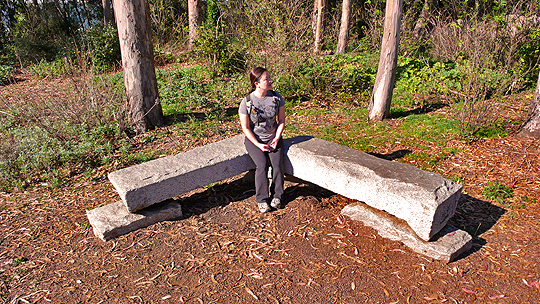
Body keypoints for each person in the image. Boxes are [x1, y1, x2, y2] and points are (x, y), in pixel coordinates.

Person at [239, 67, 286, 213]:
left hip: (273, 138)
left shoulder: (277, 98)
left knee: (277, 165)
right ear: (257, 83)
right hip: (254, 140)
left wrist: (276, 138)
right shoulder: (246, 102)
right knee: (262, 165)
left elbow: (282, 120)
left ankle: (277, 196)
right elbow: (246, 128)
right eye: (266, 79)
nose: (270, 81)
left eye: (270, 78)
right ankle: (262, 199)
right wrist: (259, 144)